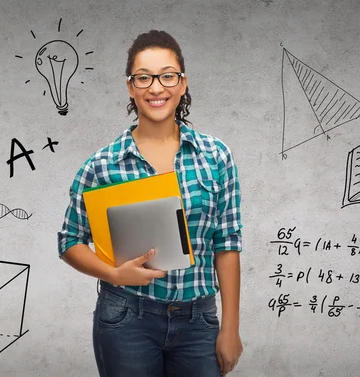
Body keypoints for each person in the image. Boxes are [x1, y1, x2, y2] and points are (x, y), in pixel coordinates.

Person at [57, 29, 243, 377]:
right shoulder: (102, 165)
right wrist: (113, 272)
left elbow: (227, 243)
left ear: (183, 83)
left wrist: (230, 327)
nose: (156, 88)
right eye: (144, 78)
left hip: (198, 320)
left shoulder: (216, 156)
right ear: (131, 87)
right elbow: (69, 241)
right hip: (127, 317)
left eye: (167, 76)